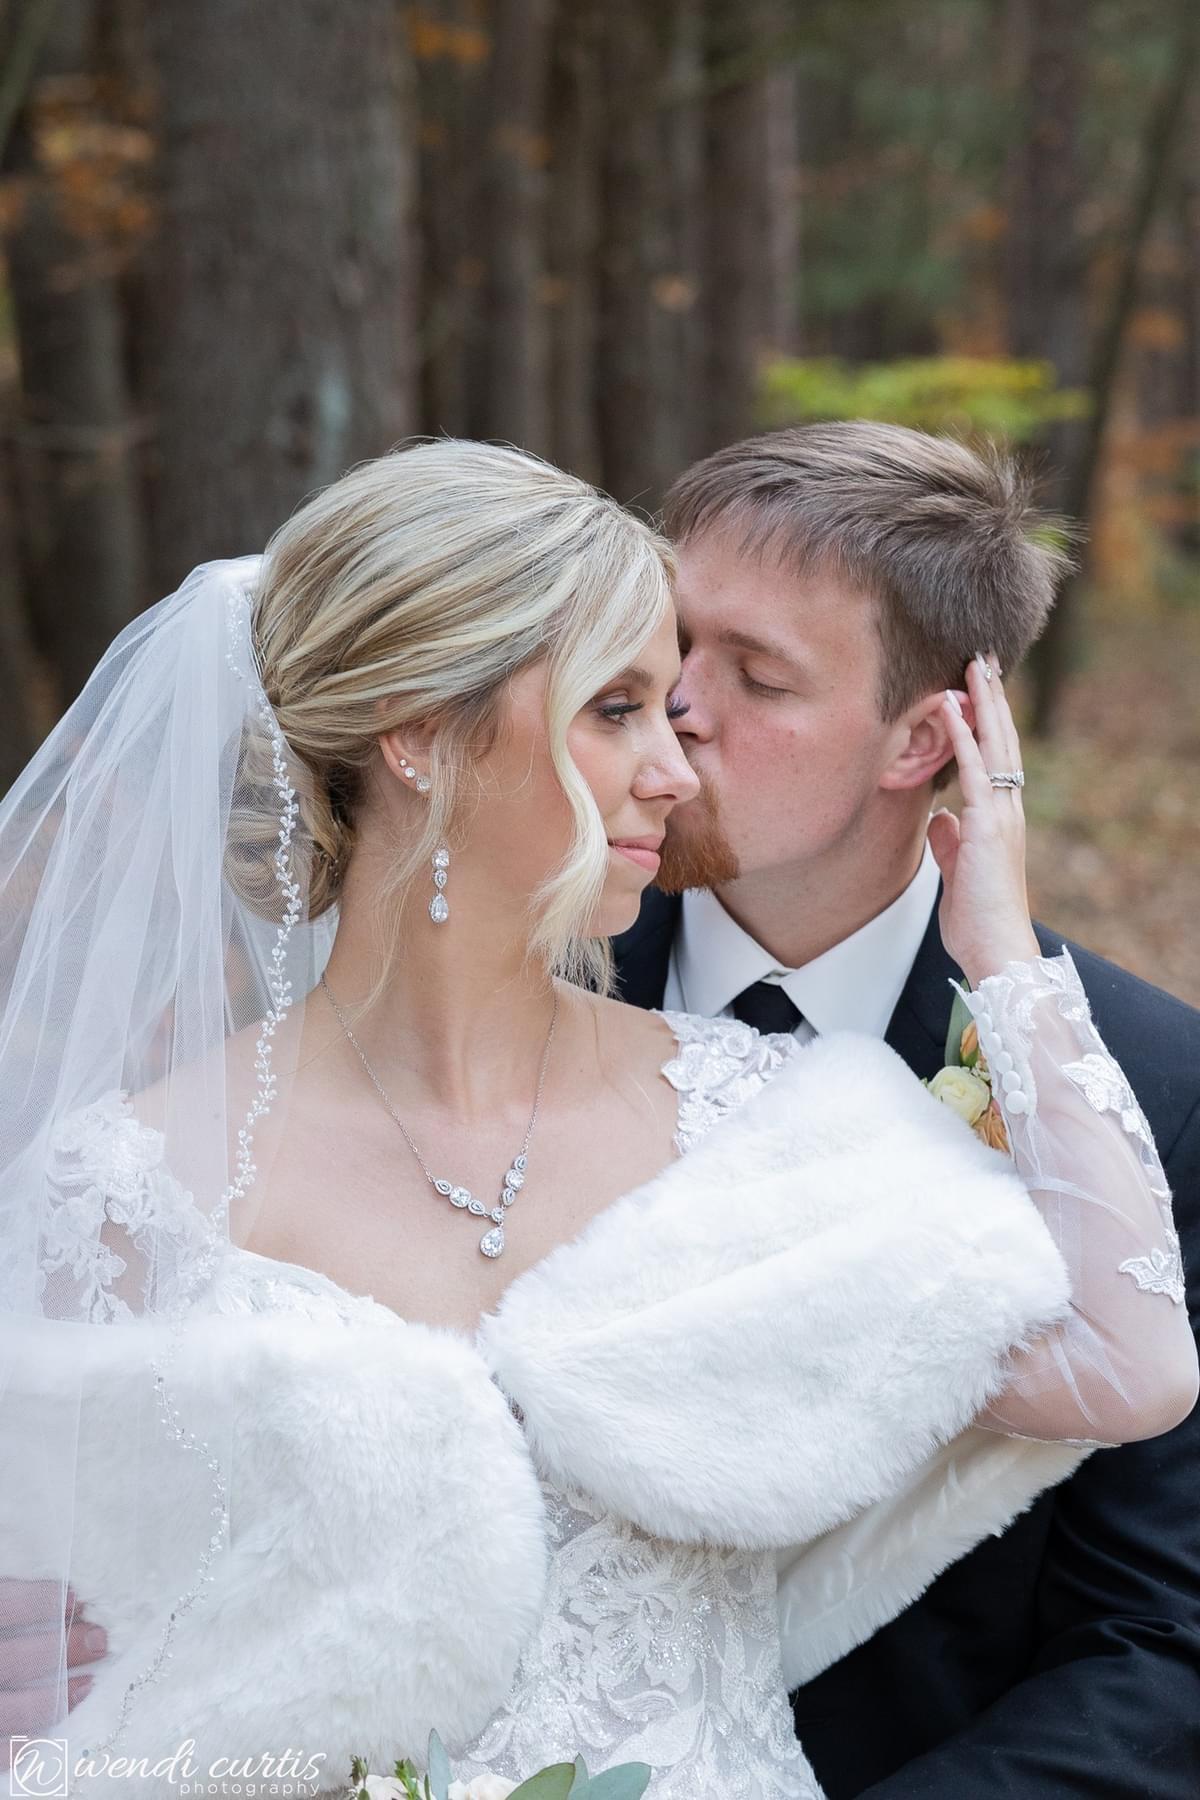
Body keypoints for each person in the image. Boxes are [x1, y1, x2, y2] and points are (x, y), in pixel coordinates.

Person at [0, 439, 1193, 1798]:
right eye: (622, 703)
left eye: (741, 683)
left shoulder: (759, 1106)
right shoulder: (126, 1179)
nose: (676, 753)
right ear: (416, 733)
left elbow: (1132, 1374)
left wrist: (1003, 958)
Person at [614, 420, 1200, 1799]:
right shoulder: (512, 996)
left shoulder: (1150, 1084)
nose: (675, 706)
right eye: (669, 643)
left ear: (924, 738)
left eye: (758, 675)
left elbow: (1158, 1639)